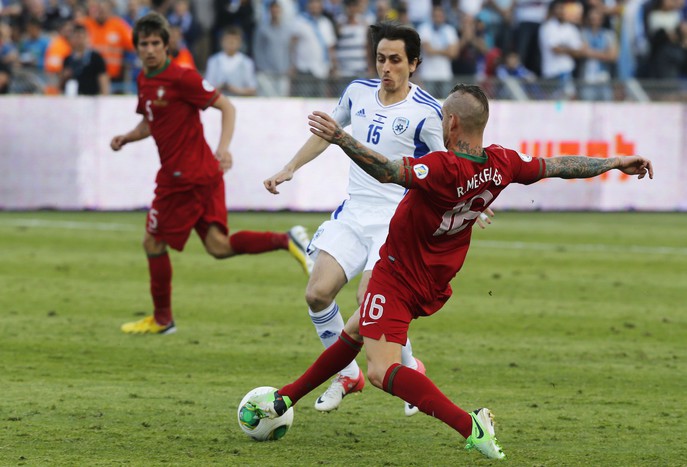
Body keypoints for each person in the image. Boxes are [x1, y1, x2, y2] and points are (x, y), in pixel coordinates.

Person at [242, 83, 654, 460]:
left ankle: (470, 425)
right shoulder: (503, 163)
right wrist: (615, 161)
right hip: (434, 280)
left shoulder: (442, 167)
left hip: (398, 274)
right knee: (355, 331)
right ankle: (284, 399)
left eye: (442, 116)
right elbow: (560, 165)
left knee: (381, 370)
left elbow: (388, 171)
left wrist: (341, 137)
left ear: (452, 122)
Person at [264, 21, 493, 416]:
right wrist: (290, 167)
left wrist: (474, 195)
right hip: (354, 212)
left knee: (367, 299)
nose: (386, 67)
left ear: (414, 64)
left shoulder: (427, 112)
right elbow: (328, 133)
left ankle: (409, 366)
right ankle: (348, 374)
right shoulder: (357, 92)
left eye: (395, 60)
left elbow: (451, 162)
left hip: (396, 221)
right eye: (380, 59)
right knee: (317, 293)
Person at [110, 12, 312, 335]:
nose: (149, 50)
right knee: (218, 246)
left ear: (166, 45)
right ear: (136, 48)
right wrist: (127, 137)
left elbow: (227, 106)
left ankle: (162, 320)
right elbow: (150, 121)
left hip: (184, 178)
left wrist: (224, 148)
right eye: (144, 44)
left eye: (155, 43)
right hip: (198, 175)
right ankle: (287, 239)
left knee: (153, 242)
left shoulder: (182, 78)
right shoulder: (144, 80)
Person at [205, 26, 256, 96]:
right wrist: (220, 87)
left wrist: (235, 90)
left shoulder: (247, 62)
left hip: (240, 101)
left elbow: (252, 90)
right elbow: (207, 89)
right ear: (222, 41)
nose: (231, 43)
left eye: (235, 40)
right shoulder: (213, 61)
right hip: (218, 101)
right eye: (228, 40)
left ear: (240, 43)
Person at [60, 23, 110, 95]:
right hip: (73, 96)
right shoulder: (67, 59)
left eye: (81, 37)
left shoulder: (96, 57)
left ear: (87, 38)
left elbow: (102, 77)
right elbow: (61, 83)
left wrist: (104, 94)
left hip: (92, 96)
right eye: (76, 37)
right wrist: (64, 76)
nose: (79, 40)